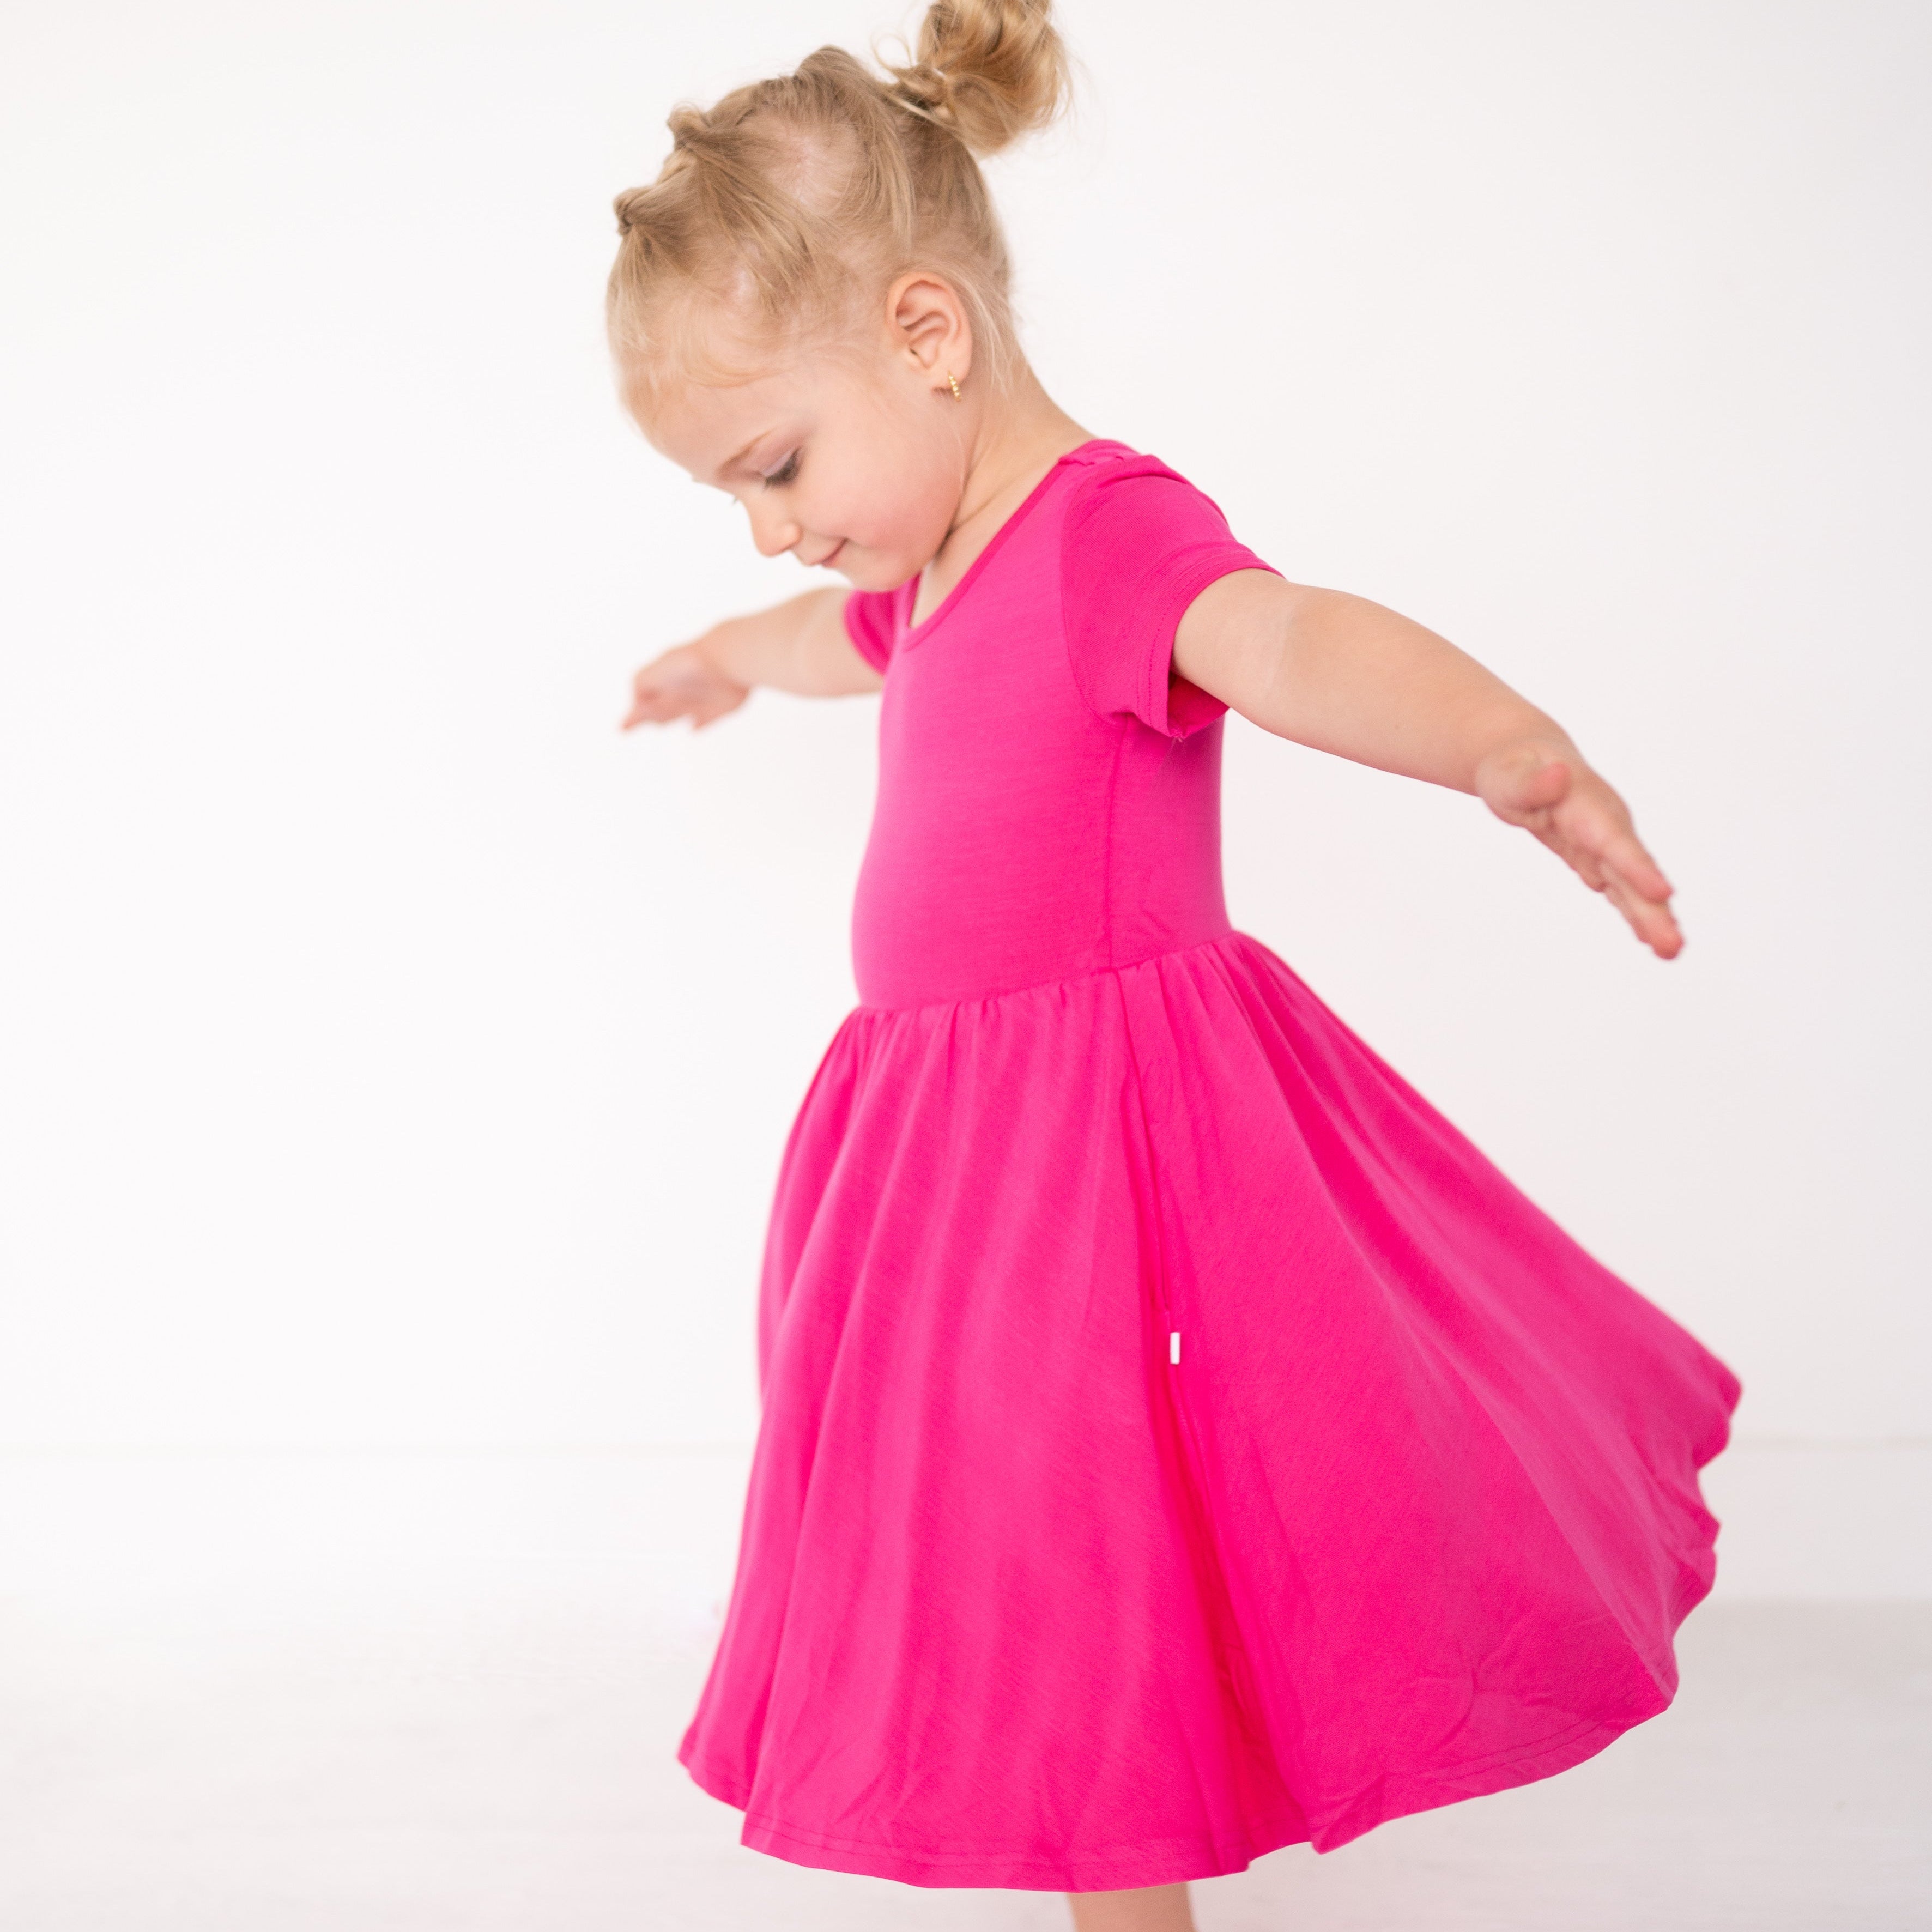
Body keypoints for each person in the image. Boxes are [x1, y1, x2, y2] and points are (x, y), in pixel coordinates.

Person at [608, 5, 1740, 1927]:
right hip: (947, 1164)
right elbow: (840, 642)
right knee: (1025, 1565)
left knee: (1098, 1559)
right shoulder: (920, 574)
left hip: (1102, 1158)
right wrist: (732, 644)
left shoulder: (1097, 534)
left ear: (925, 333)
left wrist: (1499, 747)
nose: (776, 520)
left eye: (776, 462)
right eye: (737, 495)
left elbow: (1280, 638)